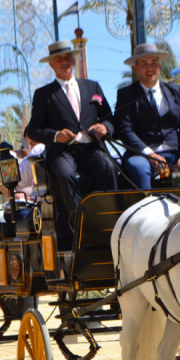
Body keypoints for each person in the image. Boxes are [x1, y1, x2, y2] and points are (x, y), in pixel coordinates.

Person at [27, 40, 117, 228]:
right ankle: (81, 225)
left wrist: (104, 128)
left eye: (67, 57)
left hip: (91, 148)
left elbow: (110, 118)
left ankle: (111, 221)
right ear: (51, 64)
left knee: (108, 167)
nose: (64, 62)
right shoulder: (44, 94)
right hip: (62, 152)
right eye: (59, 59)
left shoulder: (93, 87)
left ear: (74, 61)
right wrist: (55, 135)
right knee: (66, 174)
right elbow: (33, 129)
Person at [114, 43, 180, 189]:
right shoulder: (126, 95)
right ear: (136, 68)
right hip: (143, 156)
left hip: (176, 154)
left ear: (160, 67)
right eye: (144, 64)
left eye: (154, 63)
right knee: (139, 168)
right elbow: (125, 130)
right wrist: (149, 154)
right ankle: (146, 208)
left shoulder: (175, 91)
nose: (150, 68)